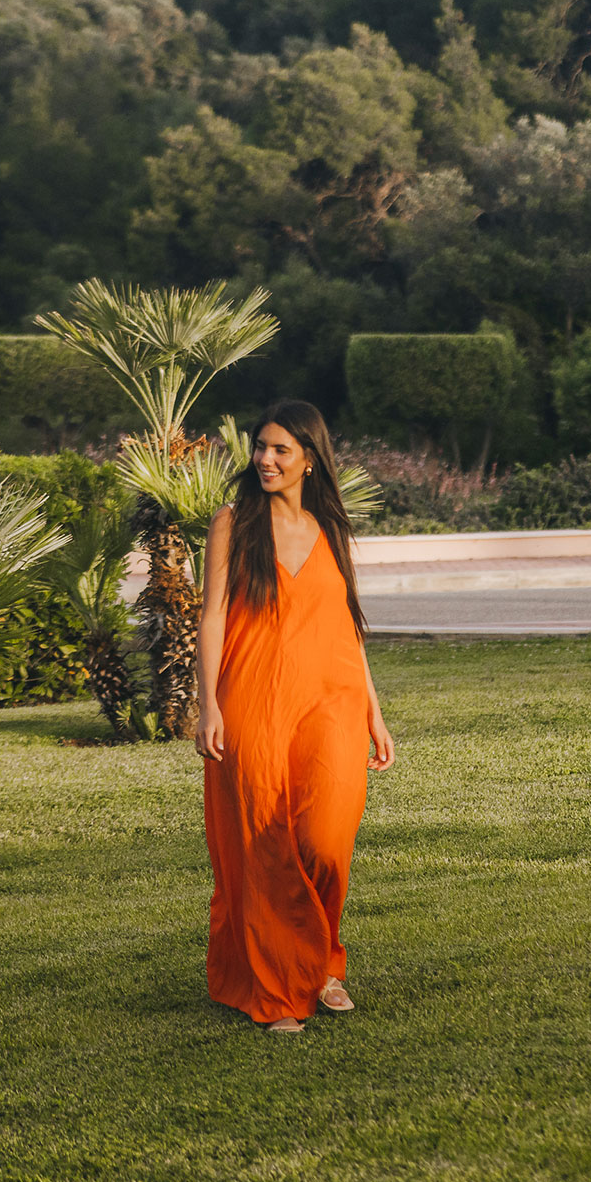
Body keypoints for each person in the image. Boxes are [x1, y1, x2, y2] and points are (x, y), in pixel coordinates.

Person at [195, 400, 396, 1033]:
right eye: (260, 447)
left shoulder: (329, 526)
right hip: (253, 696)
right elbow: (212, 617)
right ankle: (283, 988)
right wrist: (208, 704)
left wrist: (374, 711)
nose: (266, 459)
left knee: (326, 840)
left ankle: (321, 959)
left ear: (310, 458)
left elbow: (348, 625)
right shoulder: (234, 522)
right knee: (264, 840)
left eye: (281, 449)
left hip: (332, 701)